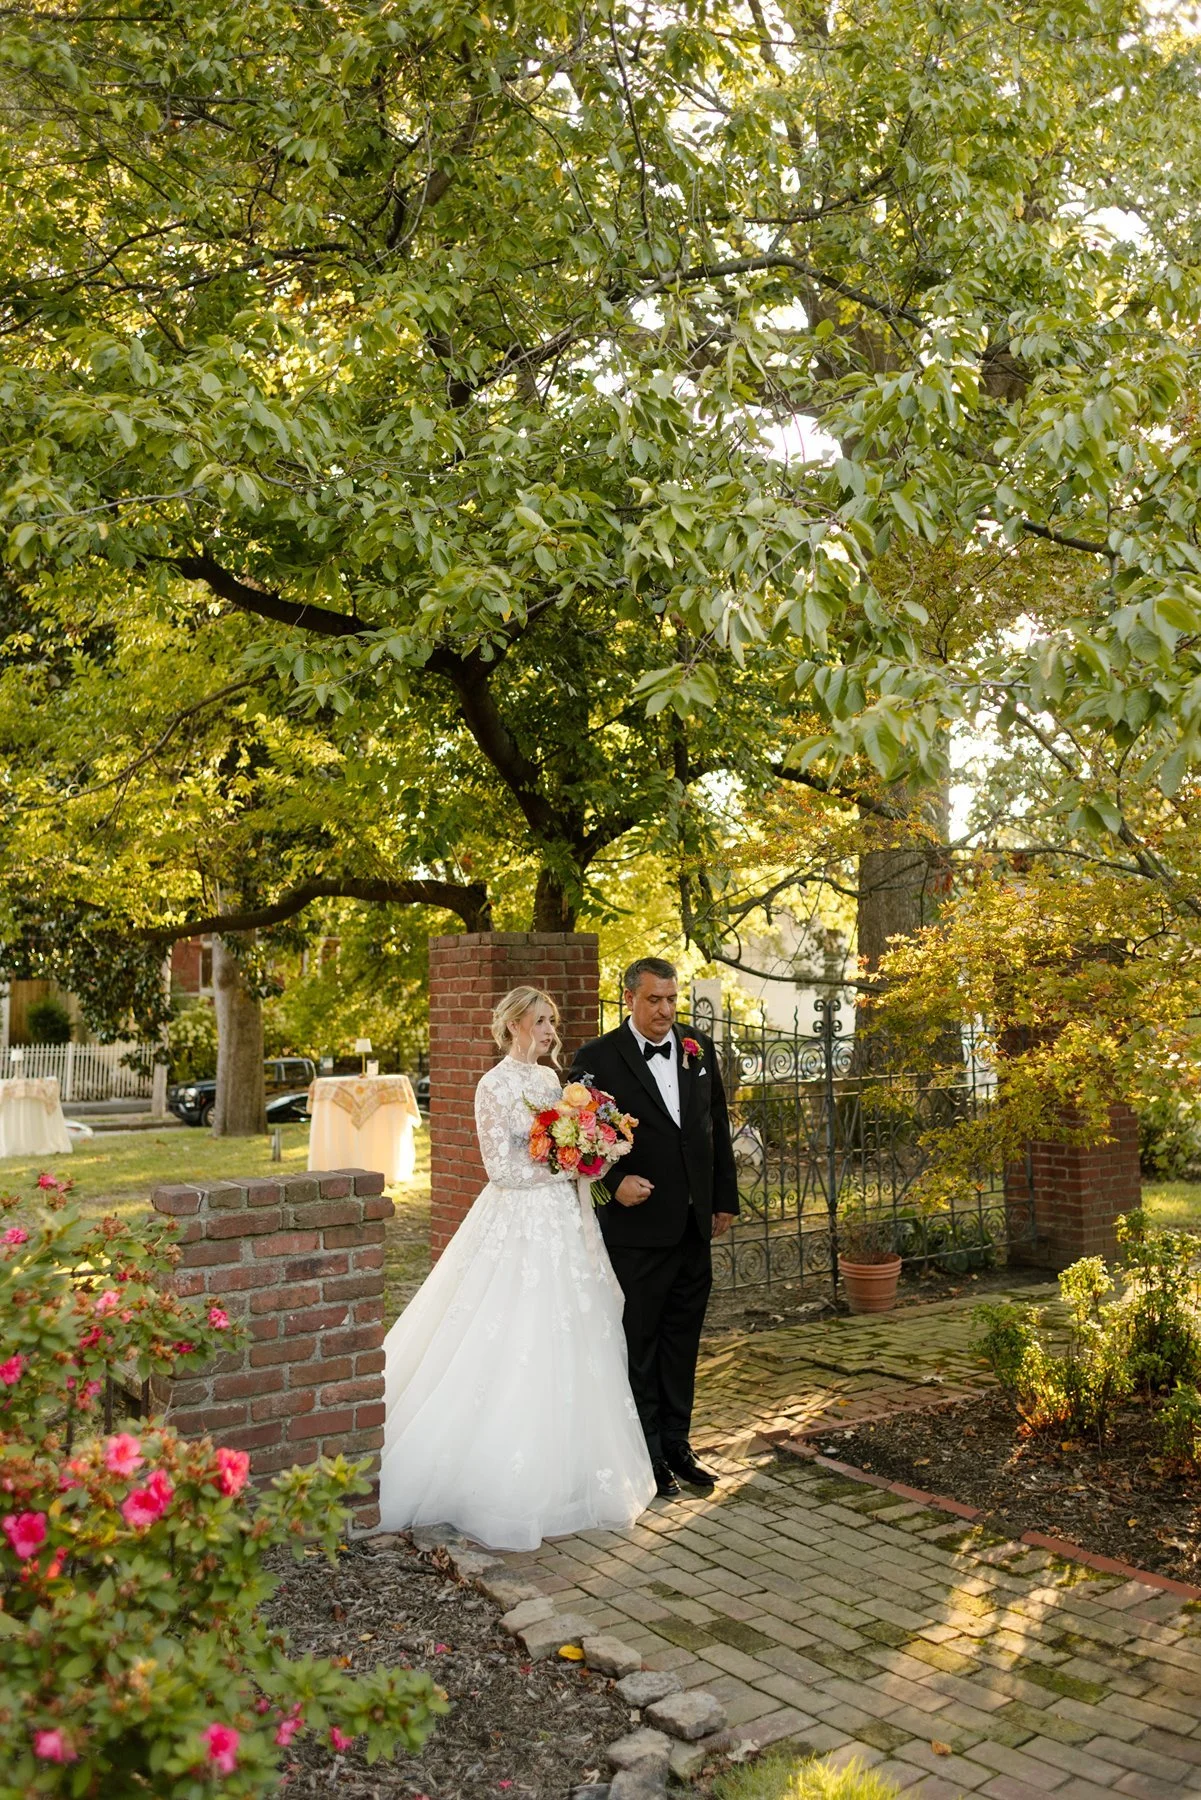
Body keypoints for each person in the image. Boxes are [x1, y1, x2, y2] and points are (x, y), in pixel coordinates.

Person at [377, 986, 655, 1550]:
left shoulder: (554, 1083)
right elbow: (500, 1169)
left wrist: (585, 1156)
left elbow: (563, 1151)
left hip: (562, 1224)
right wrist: (569, 1163)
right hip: (517, 1224)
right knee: (512, 1335)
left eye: (553, 1020)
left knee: (572, 1338)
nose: (551, 1030)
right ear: (513, 1026)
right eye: (540, 1021)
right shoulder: (493, 1085)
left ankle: (571, 1477)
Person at [569, 958, 739, 1499]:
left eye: (671, 999)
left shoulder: (698, 1049)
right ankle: (645, 1455)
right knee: (638, 1343)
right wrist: (613, 1181)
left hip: (694, 1225)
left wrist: (723, 1200)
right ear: (629, 999)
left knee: (682, 1341)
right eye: (654, 1000)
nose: (666, 1010)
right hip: (636, 1229)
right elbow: (574, 1141)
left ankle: (678, 1444)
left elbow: (717, 1129)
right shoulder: (595, 1060)